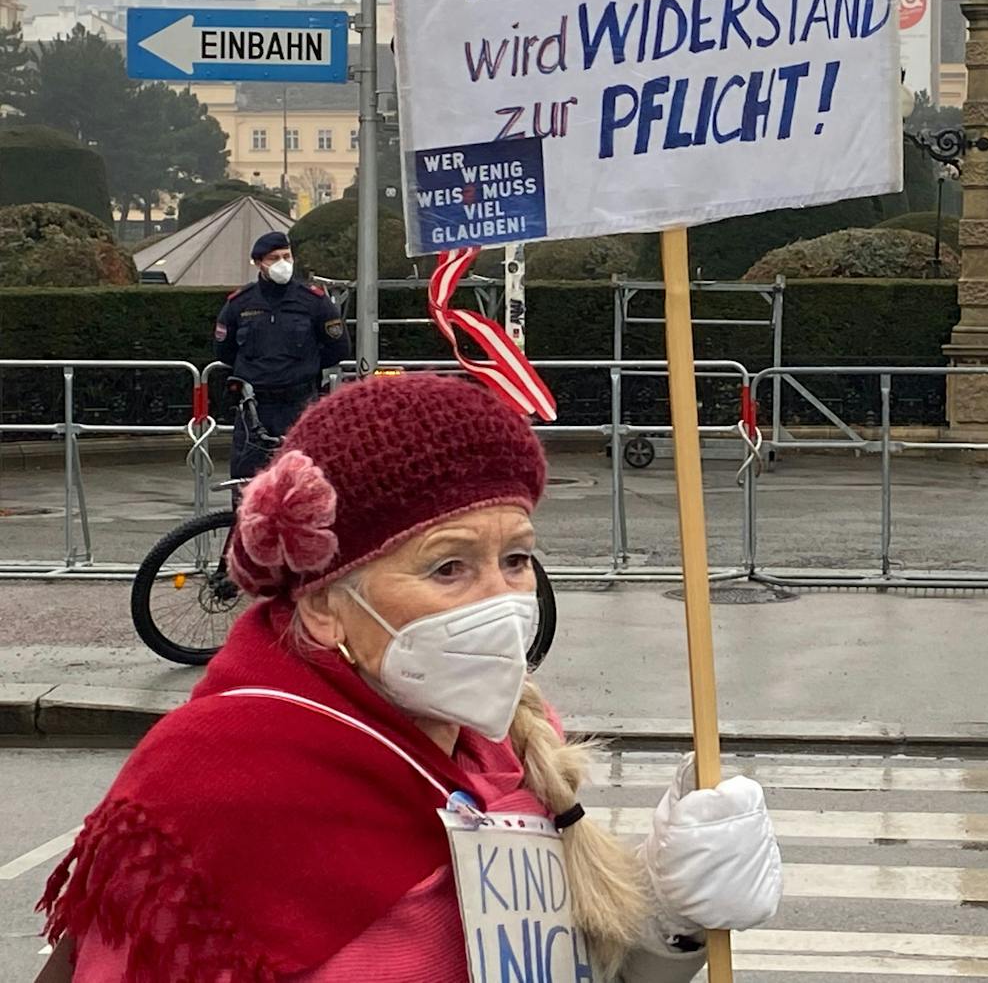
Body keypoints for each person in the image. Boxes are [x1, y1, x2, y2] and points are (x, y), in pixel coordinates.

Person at [39, 374, 783, 981]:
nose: (503, 602)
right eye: (448, 567)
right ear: (328, 605)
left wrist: (671, 921)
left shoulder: (508, 745)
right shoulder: (209, 784)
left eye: (516, 560)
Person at [215, 230, 349, 479]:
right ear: (258, 263)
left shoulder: (313, 301)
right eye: (274, 258)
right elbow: (225, 351)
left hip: (298, 402)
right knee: (247, 481)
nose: (282, 264)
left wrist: (304, 368)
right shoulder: (240, 303)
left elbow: (338, 347)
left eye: (287, 256)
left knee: (304, 477)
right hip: (254, 406)